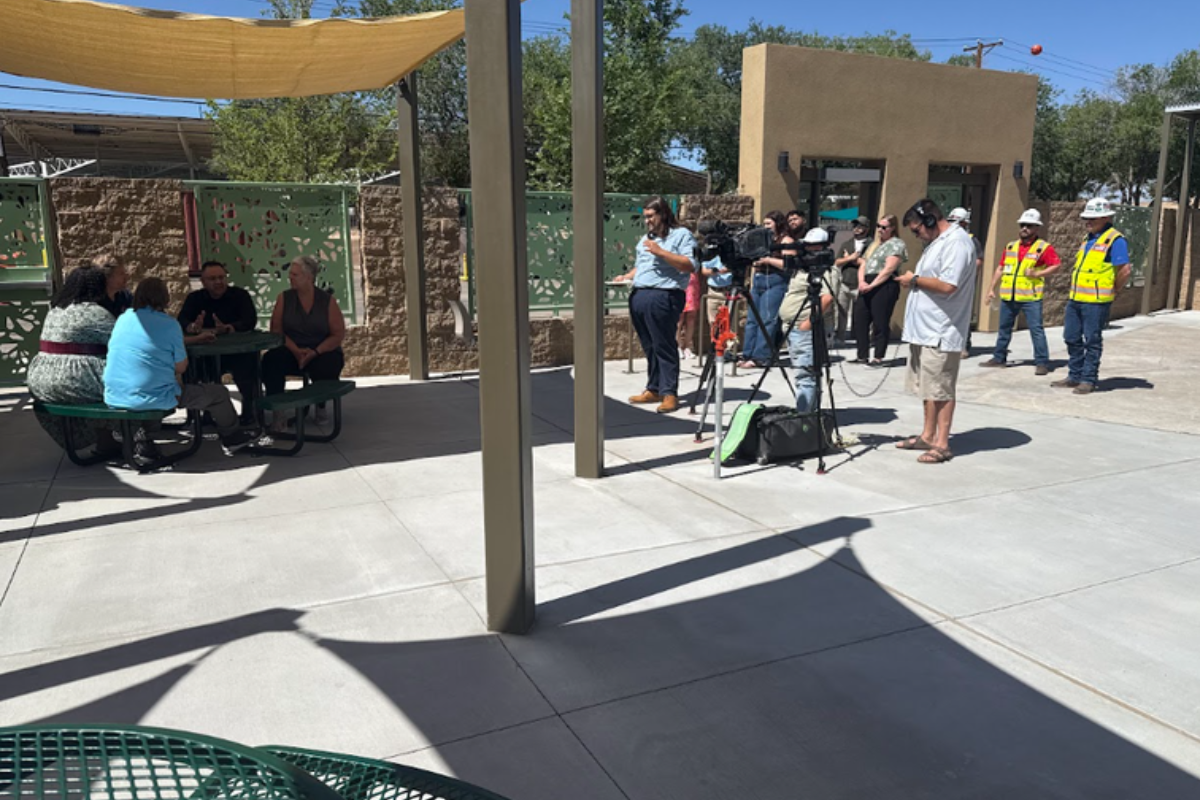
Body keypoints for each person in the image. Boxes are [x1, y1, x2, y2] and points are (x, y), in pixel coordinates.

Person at [104, 277, 261, 462]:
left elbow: (152, 340)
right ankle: (232, 436)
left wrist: (194, 339)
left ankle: (143, 440)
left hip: (114, 395)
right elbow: (182, 366)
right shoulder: (170, 324)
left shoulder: (123, 319)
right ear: (165, 298)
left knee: (149, 384)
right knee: (218, 393)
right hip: (155, 396)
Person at [895, 199, 977, 464]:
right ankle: (928, 435)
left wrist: (914, 280)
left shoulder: (957, 243)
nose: (916, 235)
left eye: (917, 229)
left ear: (930, 221)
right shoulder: (937, 242)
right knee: (928, 388)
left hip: (941, 329)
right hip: (924, 330)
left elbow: (948, 285)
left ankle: (942, 443)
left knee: (941, 389)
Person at [614, 196, 697, 414]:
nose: (647, 221)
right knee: (649, 346)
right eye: (645, 217)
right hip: (640, 294)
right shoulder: (646, 239)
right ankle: (654, 388)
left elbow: (689, 265)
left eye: (651, 216)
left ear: (663, 214)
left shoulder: (681, 235)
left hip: (664, 296)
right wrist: (626, 276)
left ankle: (670, 393)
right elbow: (641, 267)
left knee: (664, 345)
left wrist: (661, 251)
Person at [26, 265, 119, 455]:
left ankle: (105, 441)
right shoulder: (96, 313)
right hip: (74, 381)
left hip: (41, 380)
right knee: (129, 382)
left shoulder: (55, 311)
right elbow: (125, 345)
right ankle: (142, 437)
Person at [1052, 197, 1131, 395]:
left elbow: (1125, 270)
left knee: (1092, 340)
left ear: (1105, 217)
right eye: (1086, 218)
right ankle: (1074, 375)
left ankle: (1088, 379)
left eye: (1092, 218)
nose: (1088, 221)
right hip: (1076, 299)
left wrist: (1115, 289)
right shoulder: (1088, 238)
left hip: (1096, 302)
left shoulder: (1115, 240)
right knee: (1070, 336)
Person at [262, 255, 348, 430]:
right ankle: (279, 412)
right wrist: (296, 350)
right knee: (271, 361)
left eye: (295, 275)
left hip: (320, 349)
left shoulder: (327, 301)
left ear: (308, 277)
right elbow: (277, 331)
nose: (290, 278)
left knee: (329, 363)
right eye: (290, 274)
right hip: (291, 348)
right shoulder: (284, 298)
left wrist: (315, 352)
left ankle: (321, 406)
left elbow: (337, 334)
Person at [980, 209, 1062, 375]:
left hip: (1030, 296)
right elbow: (1001, 267)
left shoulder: (1043, 248)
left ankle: (1042, 362)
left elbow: (1056, 265)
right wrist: (991, 288)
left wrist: (1038, 274)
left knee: (1036, 329)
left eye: (1029, 226)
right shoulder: (1011, 246)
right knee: (1004, 328)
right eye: (1023, 225)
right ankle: (999, 358)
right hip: (1009, 295)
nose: (1025, 228)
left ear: (1037, 228)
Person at [177, 260, 261, 422]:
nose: (218, 282)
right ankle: (202, 416)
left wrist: (229, 328)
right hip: (206, 354)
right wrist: (192, 327)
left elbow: (249, 320)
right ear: (202, 281)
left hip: (236, 352)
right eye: (213, 279)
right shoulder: (195, 298)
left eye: (221, 277)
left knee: (248, 368)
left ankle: (250, 413)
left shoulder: (240, 295)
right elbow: (182, 320)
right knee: (195, 370)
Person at [778, 228, 836, 412]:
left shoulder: (827, 269)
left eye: (814, 246)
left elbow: (827, 298)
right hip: (791, 325)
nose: (809, 249)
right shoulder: (803, 267)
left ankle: (804, 417)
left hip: (805, 327)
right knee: (806, 374)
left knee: (806, 375)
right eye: (807, 245)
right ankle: (811, 414)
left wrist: (807, 323)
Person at [738, 211, 793, 368]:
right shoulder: (761, 240)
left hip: (775, 280)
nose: (766, 226)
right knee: (751, 320)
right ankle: (747, 353)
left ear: (778, 224)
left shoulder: (786, 240)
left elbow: (788, 265)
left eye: (769, 223)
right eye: (765, 223)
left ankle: (761, 356)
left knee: (767, 320)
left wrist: (769, 260)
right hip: (759, 279)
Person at [851, 214, 907, 365]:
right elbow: (863, 264)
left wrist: (873, 285)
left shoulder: (896, 244)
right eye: (878, 226)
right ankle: (862, 355)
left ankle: (878, 356)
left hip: (884, 284)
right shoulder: (874, 245)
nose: (880, 230)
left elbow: (889, 269)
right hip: (866, 282)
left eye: (884, 227)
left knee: (880, 321)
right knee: (860, 319)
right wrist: (862, 282)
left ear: (892, 228)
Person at [947, 207, 984, 358]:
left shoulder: (971, 239)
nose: (952, 225)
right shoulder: (946, 238)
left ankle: (963, 345)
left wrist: (965, 276)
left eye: (956, 222)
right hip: (948, 282)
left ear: (964, 223)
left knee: (964, 314)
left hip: (964, 284)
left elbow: (978, 260)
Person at [833, 216, 872, 345]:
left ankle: (860, 337)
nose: (856, 229)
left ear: (866, 228)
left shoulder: (872, 245)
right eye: (855, 226)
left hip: (862, 283)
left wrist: (855, 260)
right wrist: (849, 258)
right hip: (845, 283)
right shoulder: (847, 244)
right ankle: (840, 337)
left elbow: (870, 264)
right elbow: (837, 262)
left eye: (860, 226)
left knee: (861, 313)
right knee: (841, 312)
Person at [676, 269, 702, 360]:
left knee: (691, 317)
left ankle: (687, 347)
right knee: (679, 318)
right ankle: (677, 346)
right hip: (678, 281)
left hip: (692, 282)